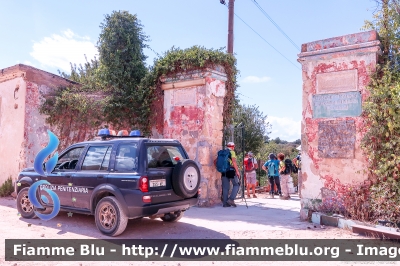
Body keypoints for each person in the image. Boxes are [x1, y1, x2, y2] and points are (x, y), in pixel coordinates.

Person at [215, 142, 240, 207]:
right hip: (231, 170)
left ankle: (225, 203)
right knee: (236, 184)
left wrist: (220, 168)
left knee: (225, 187)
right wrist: (237, 171)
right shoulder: (232, 152)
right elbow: (234, 161)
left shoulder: (222, 152)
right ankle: (231, 199)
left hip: (224, 171)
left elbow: (215, 161)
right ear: (233, 146)